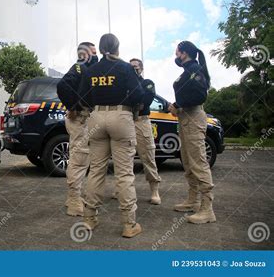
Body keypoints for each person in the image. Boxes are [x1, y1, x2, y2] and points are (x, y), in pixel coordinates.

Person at [78, 33, 144, 238]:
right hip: (121, 116)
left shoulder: (92, 70)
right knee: (124, 173)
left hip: (97, 117)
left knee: (96, 170)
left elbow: (82, 97)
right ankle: (128, 224)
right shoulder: (126, 68)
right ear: (117, 47)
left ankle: (89, 219)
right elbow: (138, 95)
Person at [168, 40, 216, 224]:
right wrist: (176, 106)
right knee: (188, 162)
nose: (176, 56)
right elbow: (189, 94)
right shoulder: (188, 71)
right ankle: (193, 200)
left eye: (177, 52)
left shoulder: (194, 69)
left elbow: (200, 95)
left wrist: (178, 105)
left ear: (184, 53)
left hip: (194, 118)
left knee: (198, 162)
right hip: (185, 118)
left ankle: (207, 209)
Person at [57, 42, 98, 216]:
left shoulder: (89, 69)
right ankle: (74, 200)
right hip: (80, 118)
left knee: (83, 159)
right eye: (93, 52)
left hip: (88, 119)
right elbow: (63, 85)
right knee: (79, 159)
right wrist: (73, 106)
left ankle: (73, 196)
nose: (96, 55)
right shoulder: (80, 67)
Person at [128, 58, 162, 205]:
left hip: (141, 122)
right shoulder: (124, 84)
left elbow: (147, 99)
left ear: (141, 68)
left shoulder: (147, 82)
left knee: (148, 157)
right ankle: (122, 189)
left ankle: (155, 191)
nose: (133, 69)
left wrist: (135, 102)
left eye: (136, 67)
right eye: (131, 68)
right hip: (126, 122)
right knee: (124, 159)